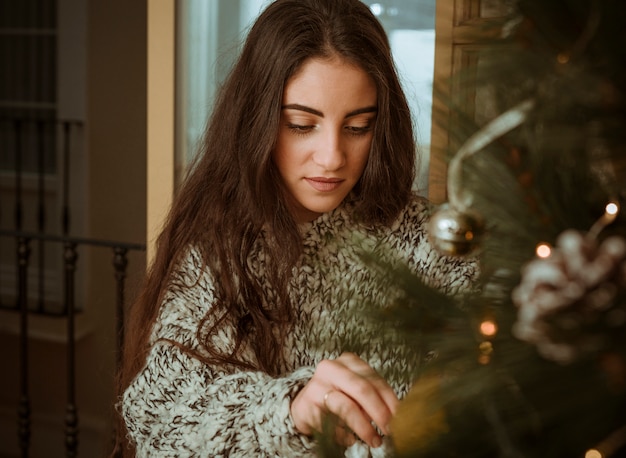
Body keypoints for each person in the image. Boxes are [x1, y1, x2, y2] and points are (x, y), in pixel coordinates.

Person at [115, 0, 477, 456]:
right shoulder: (218, 247)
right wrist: (288, 411)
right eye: (301, 125)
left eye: (358, 126)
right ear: (258, 120)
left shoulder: (437, 244)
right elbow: (159, 421)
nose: (332, 157)